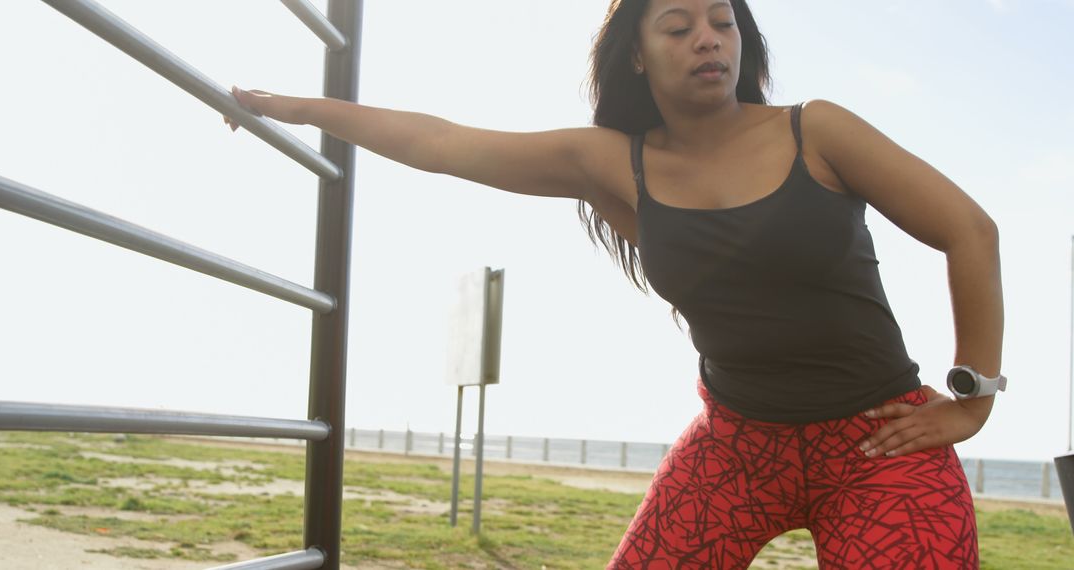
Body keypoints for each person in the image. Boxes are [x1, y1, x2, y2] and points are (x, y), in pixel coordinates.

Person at [225, 0, 1003, 567]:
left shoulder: (818, 131)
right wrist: (292, 107)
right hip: (735, 448)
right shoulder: (611, 165)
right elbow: (442, 143)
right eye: (678, 25)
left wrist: (970, 398)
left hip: (878, 442)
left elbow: (969, 230)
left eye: (723, 23)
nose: (708, 39)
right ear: (638, 53)